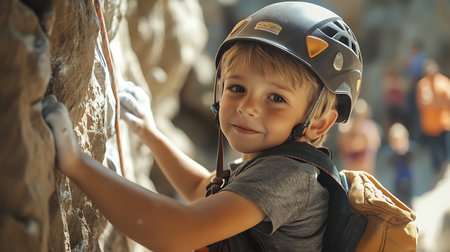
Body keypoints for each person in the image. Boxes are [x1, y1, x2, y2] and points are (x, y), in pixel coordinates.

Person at [41, 2, 363, 251]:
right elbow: (203, 190)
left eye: (276, 98)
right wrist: (151, 134)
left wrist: (76, 163)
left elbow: (177, 233)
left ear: (320, 121)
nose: (248, 107)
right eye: (237, 88)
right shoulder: (271, 164)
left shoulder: (289, 179)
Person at [416, 59, 450, 175]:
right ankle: (438, 174)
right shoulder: (422, 84)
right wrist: (437, 104)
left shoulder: (444, 82)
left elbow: (447, 101)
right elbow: (422, 103)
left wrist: (433, 103)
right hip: (429, 126)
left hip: (444, 123)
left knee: (446, 151)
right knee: (435, 154)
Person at [337, 99, 381, 175]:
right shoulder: (345, 127)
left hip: (365, 161)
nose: (359, 118)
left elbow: (374, 144)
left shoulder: (370, 127)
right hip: (351, 162)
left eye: (361, 115)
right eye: (357, 115)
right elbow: (344, 144)